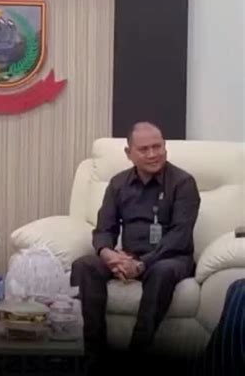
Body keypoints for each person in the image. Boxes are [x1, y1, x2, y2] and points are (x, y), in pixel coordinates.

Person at [71, 122, 201, 358]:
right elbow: (104, 229)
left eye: (157, 147)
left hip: (171, 257)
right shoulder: (118, 183)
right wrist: (108, 254)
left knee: (162, 271)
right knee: (84, 265)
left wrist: (141, 265)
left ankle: (137, 355)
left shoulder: (183, 183)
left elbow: (179, 236)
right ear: (128, 153)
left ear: (165, 146)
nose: (153, 154)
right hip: (130, 255)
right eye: (144, 149)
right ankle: (93, 353)